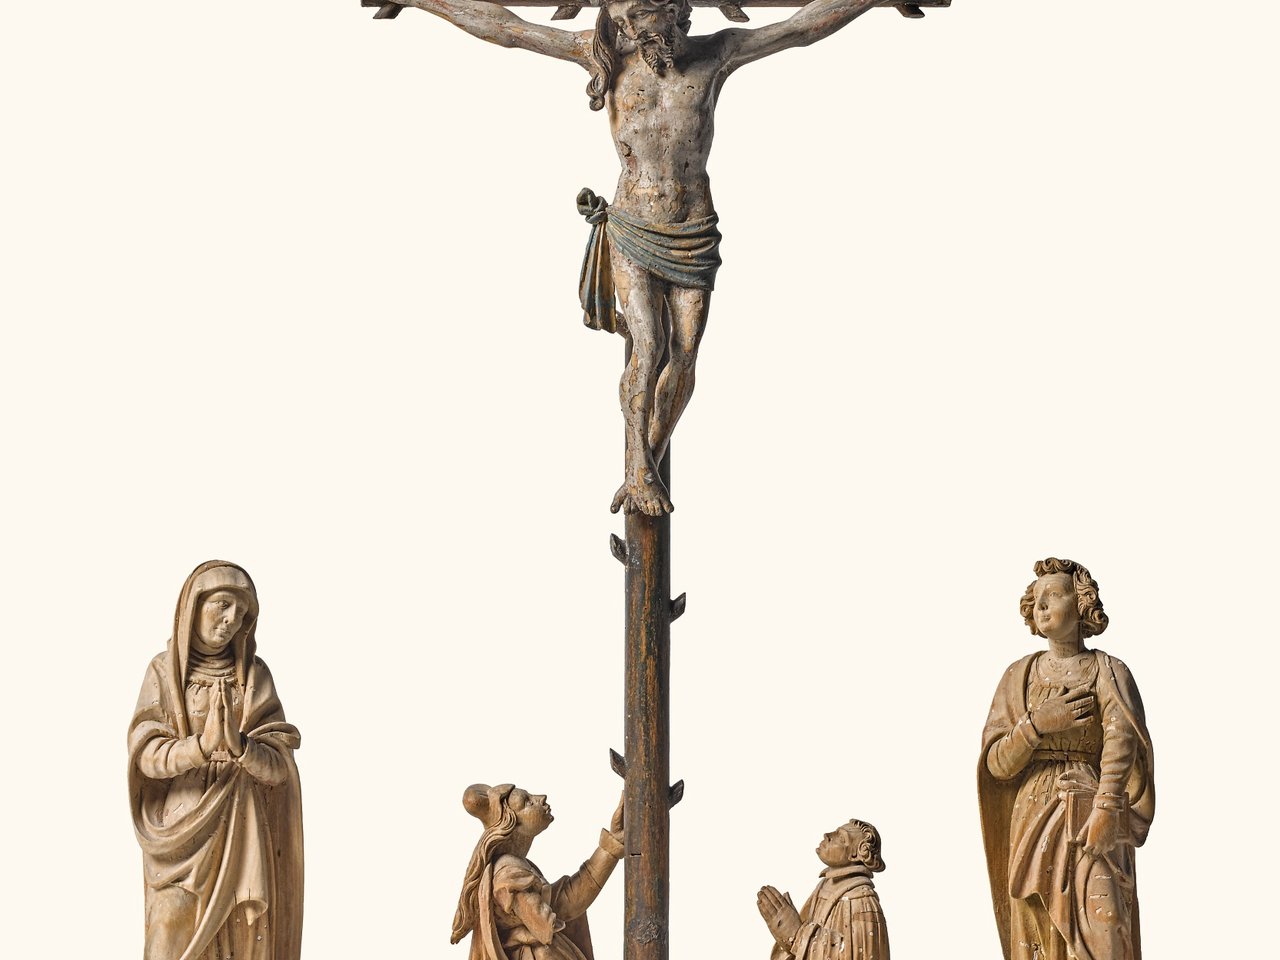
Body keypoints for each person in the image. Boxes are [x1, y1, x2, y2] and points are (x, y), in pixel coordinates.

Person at [387, 0, 888, 515]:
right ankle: (638, 469)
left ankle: (645, 458)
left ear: (678, 12)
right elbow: (509, 29)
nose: (639, 27)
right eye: (631, 17)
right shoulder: (601, 55)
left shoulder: (717, 53)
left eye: (653, 14)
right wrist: (423, 0)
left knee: (685, 353)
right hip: (632, 225)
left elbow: (801, 28)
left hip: (692, 228)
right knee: (648, 348)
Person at [978, 558, 1155, 960]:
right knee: (1038, 929)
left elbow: (1122, 742)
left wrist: (1106, 808)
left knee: (1106, 923)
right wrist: (1036, 724)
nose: (1042, 604)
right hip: (1032, 817)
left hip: (1091, 807)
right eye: (1036, 597)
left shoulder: (1109, 671)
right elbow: (996, 765)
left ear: (1081, 605)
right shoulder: (1018, 676)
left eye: (1054, 595)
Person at [128, 561, 303, 960]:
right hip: (182, 827)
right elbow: (145, 755)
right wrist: (199, 748)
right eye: (222, 605)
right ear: (193, 606)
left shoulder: (254, 676)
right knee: (168, 928)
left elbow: (279, 766)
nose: (230, 620)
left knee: (244, 934)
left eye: (240, 614)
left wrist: (241, 748)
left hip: (243, 828)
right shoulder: (164, 672)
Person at [452, 783, 625, 960]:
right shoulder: (509, 875)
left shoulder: (519, 865)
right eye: (527, 802)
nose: (541, 798)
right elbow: (546, 923)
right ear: (510, 822)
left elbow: (565, 902)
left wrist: (611, 847)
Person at [756, 818, 890, 960]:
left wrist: (797, 935)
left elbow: (858, 956)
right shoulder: (823, 886)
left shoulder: (862, 902)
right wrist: (786, 934)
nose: (827, 835)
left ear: (856, 854)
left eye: (841, 837)